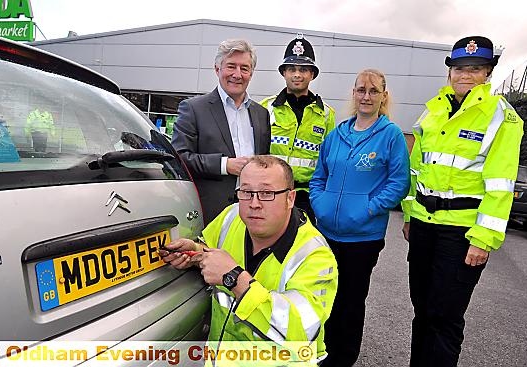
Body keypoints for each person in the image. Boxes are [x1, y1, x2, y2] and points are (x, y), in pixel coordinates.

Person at [401, 36, 524, 367]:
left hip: (461, 233)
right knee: (422, 310)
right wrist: (410, 216)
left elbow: (500, 185)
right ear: (450, 72)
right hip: (425, 227)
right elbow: (417, 169)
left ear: (488, 73)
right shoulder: (435, 109)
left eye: (475, 69)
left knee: (445, 317)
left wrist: (483, 240)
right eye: (459, 68)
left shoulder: (502, 117)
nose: (465, 75)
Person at [159, 155, 338, 363]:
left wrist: (235, 278)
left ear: (290, 198)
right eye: (246, 192)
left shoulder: (315, 255)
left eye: (266, 193)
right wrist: (196, 253)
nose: (254, 203)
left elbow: (301, 333)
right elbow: (209, 250)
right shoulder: (232, 216)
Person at [310, 68, 410, 366]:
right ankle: (320, 353)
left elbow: (399, 183)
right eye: (361, 90)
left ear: (383, 96)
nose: (366, 96)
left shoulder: (390, 135)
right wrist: (320, 203)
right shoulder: (336, 134)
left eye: (373, 91)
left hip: (362, 237)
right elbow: (319, 177)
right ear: (353, 94)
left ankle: (343, 358)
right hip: (327, 232)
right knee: (322, 297)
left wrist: (367, 208)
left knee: (350, 302)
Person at [172, 39, 271, 224]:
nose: (237, 74)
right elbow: (179, 158)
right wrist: (225, 165)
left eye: (244, 68)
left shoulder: (261, 114)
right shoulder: (193, 109)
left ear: (251, 73)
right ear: (217, 69)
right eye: (231, 66)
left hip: (253, 211)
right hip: (210, 213)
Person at [261, 34, 335, 223]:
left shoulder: (326, 114)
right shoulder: (265, 108)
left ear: (312, 74)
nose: (297, 74)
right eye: (292, 69)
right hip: (269, 191)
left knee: (302, 248)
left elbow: (329, 161)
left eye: (303, 69)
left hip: (306, 197)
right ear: (283, 72)